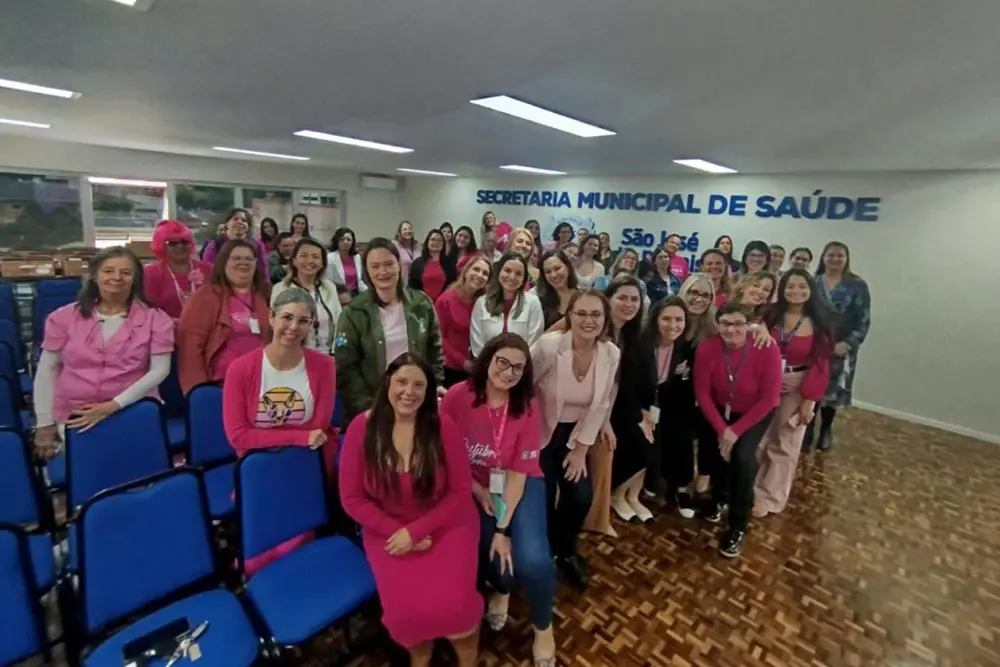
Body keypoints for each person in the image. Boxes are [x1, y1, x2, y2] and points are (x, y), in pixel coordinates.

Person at [339, 353, 481, 667]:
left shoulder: (442, 426)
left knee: (455, 604)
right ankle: (421, 657)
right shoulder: (360, 429)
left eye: (419, 385)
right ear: (388, 383)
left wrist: (416, 531)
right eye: (402, 381)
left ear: (429, 391)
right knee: (406, 612)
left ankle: (468, 657)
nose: (409, 391)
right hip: (386, 528)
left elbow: (459, 492)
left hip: (446, 521)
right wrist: (400, 533)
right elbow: (351, 499)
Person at [439, 334, 556, 666]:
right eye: (502, 362)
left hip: (520, 481)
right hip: (473, 484)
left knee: (532, 559)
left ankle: (543, 625)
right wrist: (477, 491)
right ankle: (503, 589)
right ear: (487, 360)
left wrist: (504, 527)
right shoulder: (459, 396)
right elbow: (447, 452)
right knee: (492, 553)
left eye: (518, 367)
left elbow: (519, 473)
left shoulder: (527, 405)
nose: (508, 372)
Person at [222, 288, 338, 573]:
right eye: (286, 317)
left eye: (303, 321)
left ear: (312, 325)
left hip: (304, 468)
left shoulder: (325, 366)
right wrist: (298, 436)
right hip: (259, 470)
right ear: (271, 319)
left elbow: (320, 427)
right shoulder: (241, 369)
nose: (293, 327)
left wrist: (278, 437)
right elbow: (238, 435)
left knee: (300, 557)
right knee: (258, 559)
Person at [33, 247, 174, 460]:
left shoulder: (157, 319)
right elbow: (47, 371)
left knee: (136, 476)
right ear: (94, 276)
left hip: (133, 412)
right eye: (108, 271)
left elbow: (160, 370)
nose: (116, 278)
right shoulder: (62, 318)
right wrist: (44, 423)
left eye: (126, 273)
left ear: (135, 279)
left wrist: (113, 405)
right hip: (76, 417)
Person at [531, 290, 620, 588]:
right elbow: (522, 385)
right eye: (581, 313)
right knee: (540, 501)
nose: (588, 320)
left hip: (575, 436)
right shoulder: (548, 346)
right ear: (570, 316)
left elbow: (602, 404)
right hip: (540, 432)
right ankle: (542, 553)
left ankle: (565, 550)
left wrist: (581, 449)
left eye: (595, 314)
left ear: (605, 319)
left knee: (580, 497)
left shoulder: (611, 354)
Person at [694, 303, 781, 558]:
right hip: (719, 409)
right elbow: (702, 393)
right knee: (715, 453)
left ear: (749, 325)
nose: (732, 329)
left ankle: (738, 525)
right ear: (718, 324)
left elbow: (769, 399)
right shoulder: (708, 348)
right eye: (726, 324)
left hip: (754, 412)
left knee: (742, 459)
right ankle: (720, 497)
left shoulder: (766, 348)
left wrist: (735, 431)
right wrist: (723, 429)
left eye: (738, 324)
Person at [335, 238, 444, 424]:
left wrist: (434, 387)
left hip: (415, 402)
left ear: (399, 265)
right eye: (375, 266)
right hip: (372, 408)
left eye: (388, 264)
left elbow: (435, 352)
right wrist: (369, 407)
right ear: (367, 271)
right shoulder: (353, 312)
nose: (382, 272)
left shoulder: (422, 304)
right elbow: (345, 368)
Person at [754, 270, 832, 516]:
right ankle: (747, 489)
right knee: (757, 437)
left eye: (802, 286)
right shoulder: (770, 314)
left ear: (811, 289)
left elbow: (822, 362)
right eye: (790, 286)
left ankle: (769, 498)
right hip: (765, 380)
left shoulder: (821, 323)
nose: (796, 291)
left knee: (786, 441)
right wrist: (759, 327)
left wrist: (810, 398)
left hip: (798, 383)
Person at [177, 239, 272, 393]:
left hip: (262, 384)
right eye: (236, 258)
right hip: (219, 387)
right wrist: (198, 392)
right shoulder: (205, 297)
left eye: (249, 259)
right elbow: (190, 349)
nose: (243, 262)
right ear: (223, 263)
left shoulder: (262, 298)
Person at [630, 297, 696, 517]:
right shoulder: (641, 347)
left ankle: (679, 487)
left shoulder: (683, 347)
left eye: (679, 319)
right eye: (666, 319)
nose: (673, 325)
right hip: (638, 405)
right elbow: (630, 388)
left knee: (681, 434)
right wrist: (641, 414)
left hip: (666, 405)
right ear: (656, 320)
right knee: (645, 439)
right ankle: (633, 490)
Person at [806, 241, 871, 451]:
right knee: (810, 387)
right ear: (823, 257)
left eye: (839, 255)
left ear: (846, 259)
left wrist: (848, 344)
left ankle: (826, 429)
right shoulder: (813, 282)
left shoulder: (857, 285)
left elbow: (864, 320)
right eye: (831, 255)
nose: (835, 259)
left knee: (832, 394)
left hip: (840, 348)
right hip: (813, 345)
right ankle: (807, 428)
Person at [270, 238, 341, 355]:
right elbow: (277, 327)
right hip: (293, 356)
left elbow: (339, 323)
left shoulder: (329, 288)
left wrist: (337, 352)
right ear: (294, 261)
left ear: (323, 263)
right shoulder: (281, 289)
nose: (310, 261)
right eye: (304, 255)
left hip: (327, 355)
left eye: (315, 257)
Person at [470, 253, 544, 357]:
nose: (512, 277)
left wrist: (518, 366)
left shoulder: (533, 302)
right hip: (487, 368)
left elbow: (535, 343)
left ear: (524, 279)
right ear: (499, 271)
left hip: (521, 367)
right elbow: (477, 343)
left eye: (518, 274)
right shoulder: (482, 302)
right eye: (507, 270)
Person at [435, 257, 491, 387]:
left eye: (485, 273)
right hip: (452, 368)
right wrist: (463, 361)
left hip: (480, 367)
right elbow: (439, 338)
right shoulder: (445, 301)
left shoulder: (486, 302)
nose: (480, 275)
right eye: (476, 269)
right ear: (466, 271)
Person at [143, 219, 211, 319]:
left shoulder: (209, 269)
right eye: (172, 243)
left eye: (184, 241)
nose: (180, 246)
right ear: (161, 245)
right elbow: (147, 311)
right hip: (164, 331)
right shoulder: (150, 274)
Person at [201, 208, 270, 281]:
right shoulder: (215, 245)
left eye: (244, 220)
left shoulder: (257, 245)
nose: (240, 222)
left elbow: (264, 273)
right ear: (227, 224)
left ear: (248, 227)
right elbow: (207, 273)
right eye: (235, 219)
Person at [532, 249, 578, 331]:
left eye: (557, 268)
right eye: (548, 272)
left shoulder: (583, 297)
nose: (553, 275)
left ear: (568, 267)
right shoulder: (538, 300)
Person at [408, 229, 456, 302]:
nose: (436, 243)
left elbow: (452, 283)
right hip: (421, 304)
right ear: (427, 242)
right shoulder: (417, 263)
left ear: (443, 244)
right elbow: (412, 287)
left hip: (442, 303)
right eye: (433, 239)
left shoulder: (449, 262)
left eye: (439, 240)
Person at [325, 227, 366, 295]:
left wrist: (369, 293)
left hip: (356, 293)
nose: (345, 242)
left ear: (352, 242)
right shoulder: (330, 258)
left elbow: (359, 281)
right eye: (342, 239)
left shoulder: (356, 257)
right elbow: (329, 282)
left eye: (348, 240)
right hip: (338, 294)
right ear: (337, 241)